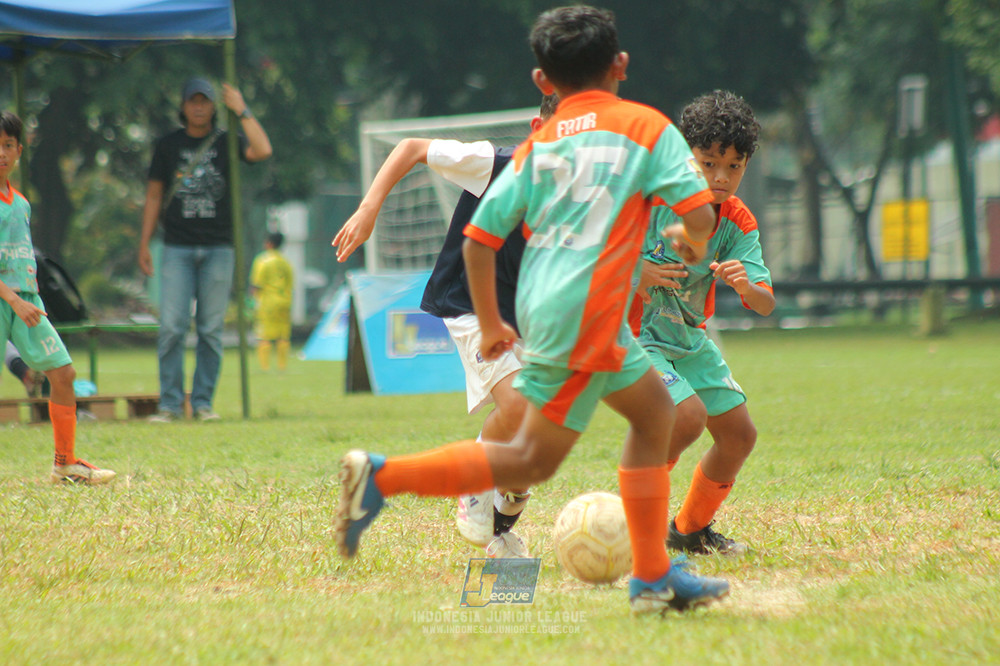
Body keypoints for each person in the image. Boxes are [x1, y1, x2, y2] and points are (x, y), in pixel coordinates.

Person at [335, 6, 731, 614]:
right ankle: (381, 478)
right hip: (581, 317)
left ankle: (651, 578)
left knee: (651, 419)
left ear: (544, 82)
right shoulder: (647, 129)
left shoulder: (536, 150)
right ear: (620, 66)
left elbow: (479, 239)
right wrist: (690, 237)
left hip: (546, 311)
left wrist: (494, 323)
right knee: (529, 454)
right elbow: (701, 219)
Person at [333, 95, 557, 558]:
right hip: (470, 301)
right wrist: (369, 207)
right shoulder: (495, 166)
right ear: (538, 126)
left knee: (536, 445)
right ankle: (471, 486)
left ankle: (502, 526)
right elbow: (412, 146)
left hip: (529, 316)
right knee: (517, 407)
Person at [631, 90, 774, 556]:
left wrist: (746, 286)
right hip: (635, 335)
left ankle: (688, 530)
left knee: (739, 435)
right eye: (709, 162)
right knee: (685, 415)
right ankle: (634, 518)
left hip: (687, 338)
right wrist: (638, 270)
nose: (720, 177)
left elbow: (766, 303)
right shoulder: (648, 197)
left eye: (734, 166)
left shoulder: (737, 221)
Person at [139, 78, 273, 422]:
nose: (199, 106)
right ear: (183, 106)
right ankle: (170, 404)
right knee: (172, 326)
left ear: (214, 106)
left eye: (205, 101)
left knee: (211, 329)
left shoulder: (227, 142)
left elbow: (262, 150)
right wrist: (145, 243)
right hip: (177, 247)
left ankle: (202, 403)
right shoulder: (168, 145)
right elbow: (154, 195)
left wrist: (241, 108)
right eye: (192, 101)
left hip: (219, 246)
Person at [0, 111, 115, 483]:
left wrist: (26, 297)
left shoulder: (20, 203)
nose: (1, 153)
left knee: (63, 373)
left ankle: (65, 463)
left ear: (19, 150)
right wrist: (14, 300)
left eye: (7, 145)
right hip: (10, 301)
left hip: (27, 302)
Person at [250, 231, 294, 372]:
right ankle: (282, 367)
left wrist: (253, 300)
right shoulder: (285, 262)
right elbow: (290, 283)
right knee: (283, 336)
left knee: (264, 336)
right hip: (284, 301)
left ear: (268, 243)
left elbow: (257, 284)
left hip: (268, 302)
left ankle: (265, 367)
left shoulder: (262, 260)